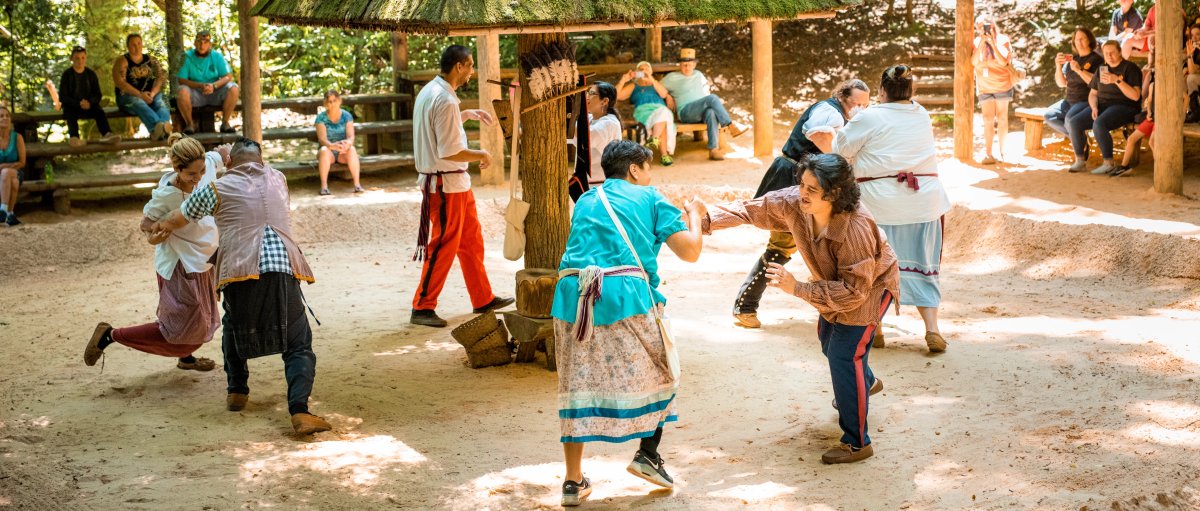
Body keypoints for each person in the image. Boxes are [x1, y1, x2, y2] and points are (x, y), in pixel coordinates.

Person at [705, 153, 899, 464]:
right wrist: (706, 221)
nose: (801, 192)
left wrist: (798, 288)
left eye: (811, 188)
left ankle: (857, 442)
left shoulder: (856, 228)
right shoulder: (797, 202)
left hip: (871, 288)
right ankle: (866, 382)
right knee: (828, 339)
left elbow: (854, 291)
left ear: (834, 193)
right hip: (841, 286)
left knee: (844, 354)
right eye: (802, 184)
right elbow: (750, 209)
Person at [552, 140, 705, 506]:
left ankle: (573, 482)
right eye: (648, 167)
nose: (650, 174)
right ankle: (647, 454)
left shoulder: (587, 199)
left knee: (577, 383)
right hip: (623, 295)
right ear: (635, 169)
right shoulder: (651, 197)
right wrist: (694, 214)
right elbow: (691, 250)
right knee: (667, 369)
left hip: (571, 295)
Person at [150, 138, 331, 435]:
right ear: (261, 160)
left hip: (238, 268)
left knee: (234, 325)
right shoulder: (278, 178)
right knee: (298, 342)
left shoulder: (217, 188)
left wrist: (159, 228)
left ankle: (237, 391)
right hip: (283, 265)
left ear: (230, 163)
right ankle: (300, 411)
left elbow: (179, 216)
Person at [732, 78, 871, 329]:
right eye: (856, 102)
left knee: (817, 246)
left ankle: (832, 305)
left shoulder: (842, 115)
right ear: (842, 96)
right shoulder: (828, 111)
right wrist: (841, 163)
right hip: (793, 179)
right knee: (782, 245)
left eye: (865, 104)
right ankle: (745, 306)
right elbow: (819, 135)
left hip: (809, 184)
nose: (860, 107)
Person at [834, 64, 952, 353]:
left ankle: (877, 328)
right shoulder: (921, 114)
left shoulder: (870, 116)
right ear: (910, 91)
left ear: (881, 91)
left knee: (874, 265)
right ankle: (932, 329)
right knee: (924, 265)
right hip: (925, 201)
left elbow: (840, 149)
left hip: (881, 204)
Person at [84, 134, 224, 371]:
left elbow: (220, 155)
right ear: (176, 168)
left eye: (201, 172)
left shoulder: (205, 165)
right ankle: (110, 335)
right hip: (181, 266)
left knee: (199, 318)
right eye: (191, 174)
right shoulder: (167, 195)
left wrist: (228, 154)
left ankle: (186, 357)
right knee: (179, 328)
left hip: (202, 262)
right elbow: (146, 224)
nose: (198, 178)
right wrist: (154, 235)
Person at [409, 45, 513, 327]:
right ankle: (423, 305)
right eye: (469, 66)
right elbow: (449, 150)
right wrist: (481, 154)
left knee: (471, 241)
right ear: (459, 66)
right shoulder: (445, 99)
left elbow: (437, 125)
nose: (471, 72)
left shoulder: (433, 90)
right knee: (443, 244)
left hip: (455, 183)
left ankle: (482, 297)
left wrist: (465, 115)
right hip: (445, 183)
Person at [1066, 40, 1142, 175]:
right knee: (1074, 122)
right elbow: (1093, 94)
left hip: (1124, 106)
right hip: (1102, 105)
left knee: (1099, 123)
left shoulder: (1130, 68)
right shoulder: (1102, 68)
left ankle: (1108, 162)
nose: (1109, 56)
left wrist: (1117, 81)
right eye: (1106, 53)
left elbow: (1136, 96)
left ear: (1120, 52)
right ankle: (1080, 160)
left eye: (1112, 52)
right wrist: (1094, 107)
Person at [660, 48, 748, 161]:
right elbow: (655, 87)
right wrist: (667, 95)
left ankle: (713, 150)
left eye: (690, 64)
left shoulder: (699, 75)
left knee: (711, 112)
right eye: (684, 64)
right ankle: (731, 125)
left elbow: (705, 90)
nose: (687, 67)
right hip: (686, 112)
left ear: (694, 65)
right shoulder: (672, 77)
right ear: (680, 65)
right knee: (712, 98)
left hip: (701, 110)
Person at [1044, 27, 1102, 145]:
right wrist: (1058, 66)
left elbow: (1097, 82)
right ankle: (1079, 138)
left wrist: (1080, 70)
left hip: (1086, 101)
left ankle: (1079, 145)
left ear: (1089, 40)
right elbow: (1062, 84)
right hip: (1069, 101)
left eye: (1082, 39)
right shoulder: (1073, 59)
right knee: (1049, 116)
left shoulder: (1097, 60)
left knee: (1068, 120)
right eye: (1076, 39)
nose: (1079, 42)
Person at [176, 30, 239, 134]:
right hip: (195, 93)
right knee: (181, 91)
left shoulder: (217, 56)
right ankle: (189, 124)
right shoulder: (186, 57)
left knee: (234, 88)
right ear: (195, 43)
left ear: (210, 44)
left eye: (205, 42)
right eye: (199, 42)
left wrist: (214, 86)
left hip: (215, 91)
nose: (202, 45)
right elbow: (181, 79)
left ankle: (225, 123)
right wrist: (200, 86)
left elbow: (228, 76)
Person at [112, 33, 173, 141]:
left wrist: (153, 93)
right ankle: (159, 128)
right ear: (128, 46)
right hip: (127, 98)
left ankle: (160, 130)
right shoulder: (122, 61)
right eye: (133, 45)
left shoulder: (151, 60)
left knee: (162, 101)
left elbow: (161, 77)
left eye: (139, 43)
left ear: (142, 44)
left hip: (150, 95)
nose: (137, 47)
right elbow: (120, 83)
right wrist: (140, 95)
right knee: (138, 102)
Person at [59, 46, 121, 148]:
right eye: (77, 58)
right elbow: (63, 97)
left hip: (89, 106)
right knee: (69, 112)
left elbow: (97, 94)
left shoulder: (91, 74)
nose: (80, 61)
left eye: (83, 57)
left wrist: (90, 103)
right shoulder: (67, 75)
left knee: (99, 111)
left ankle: (107, 135)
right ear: (72, 59)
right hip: (73, 106)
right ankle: (74, 138)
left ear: (86, 58)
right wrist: (78, 103)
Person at [972, 15, 1015, 164]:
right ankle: (988, 154)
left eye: (986, 25)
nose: (982, 29)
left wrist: (992, 43)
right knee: (987, 119)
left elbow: (1004, 62)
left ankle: (1003, 152)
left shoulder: (1003, 40)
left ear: (993, 25)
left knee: (1002, 118)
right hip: (984, 87)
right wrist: (982, 43)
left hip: (1002, 84)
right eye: (979, 26)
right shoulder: (976, 41)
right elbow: (973, 61)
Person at [617, 61, 677, 166]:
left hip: (660, 111)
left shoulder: (656, 84)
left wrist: (651, 80)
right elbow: (617, 96)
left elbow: (663, 94)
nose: (644, 71)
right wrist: (623, 80)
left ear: (651, 71)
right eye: (641, 69)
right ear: (637, 72)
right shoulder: (633, 86)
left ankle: (655, 138)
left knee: (662, 115)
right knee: (664, 116)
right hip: (643, 112)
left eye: (647, 69)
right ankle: (664, 154)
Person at [1111, 53, 1155, 178]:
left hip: (1164, 120)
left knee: (1152, 142)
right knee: (1131, 139)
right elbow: (1149, 100)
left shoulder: (1173, 85)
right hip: (1151, 118)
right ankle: (1124, 167)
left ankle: (1160, 169)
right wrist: (1150, 112)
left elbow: (1184, 98)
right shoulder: (1153, 84)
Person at [314, 90, 362, 195]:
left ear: (339, 101)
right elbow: (322, 139)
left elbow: (351, 136)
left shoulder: (347, 116)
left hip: (342, 151)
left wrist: (348, 144)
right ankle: (324, 186)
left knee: (352, 149)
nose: (332, 104)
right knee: (324, 150)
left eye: (334, 100)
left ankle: (357, 185)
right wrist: (332, 146)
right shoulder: (321, 118)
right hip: (328, 151)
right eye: (329, 101)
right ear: (326, 103)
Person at [582, 81, 622, 185]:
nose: (587, 96)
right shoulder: (590, 118)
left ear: (604, 101)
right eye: (587, 93)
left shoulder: (610, 123)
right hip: (589, 182)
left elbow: (584, 136)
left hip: (601, 184)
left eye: (591, 93)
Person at [0, 105, 26, 226]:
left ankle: (3, 210)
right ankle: (10, 214)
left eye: (7, 116)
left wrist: (4, 166)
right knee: (13, 182)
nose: (4, 118)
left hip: (16, 171)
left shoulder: (17, 137)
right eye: (1, 116)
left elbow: (22, 162)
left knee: (6, 172)